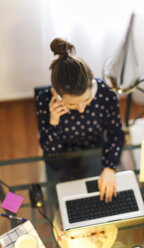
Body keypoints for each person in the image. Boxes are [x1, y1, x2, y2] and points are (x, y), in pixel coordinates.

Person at [36, 38, 124, 203]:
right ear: (56, 93)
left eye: (87, 99)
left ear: (91, 80)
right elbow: (52, 155)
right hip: (62, 159)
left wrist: (109, 168)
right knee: (62, 202)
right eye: (72, 104)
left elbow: (116, 133)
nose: (82, 109)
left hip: (96, 151)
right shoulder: (44, 101)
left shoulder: (106, 94)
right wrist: (53, 122)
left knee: (106, 199)